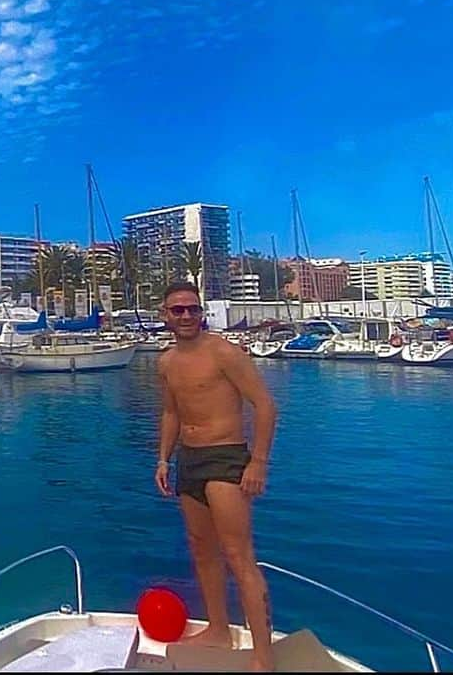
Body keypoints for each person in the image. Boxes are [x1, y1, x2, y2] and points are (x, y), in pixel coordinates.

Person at [155, 280, 278, 672]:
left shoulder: (224, 352)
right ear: (165, 315)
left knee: (239, 555)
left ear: (201, 312)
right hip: (189, 461)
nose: (186, 315)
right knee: (200, 548)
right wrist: (163, 460)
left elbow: (264, 406)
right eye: (178, 310)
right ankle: (219, 629)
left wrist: (258, 462)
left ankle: (263, 656)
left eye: (192, 308)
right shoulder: (166, 362)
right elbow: (172, 413)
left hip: (226, 458)